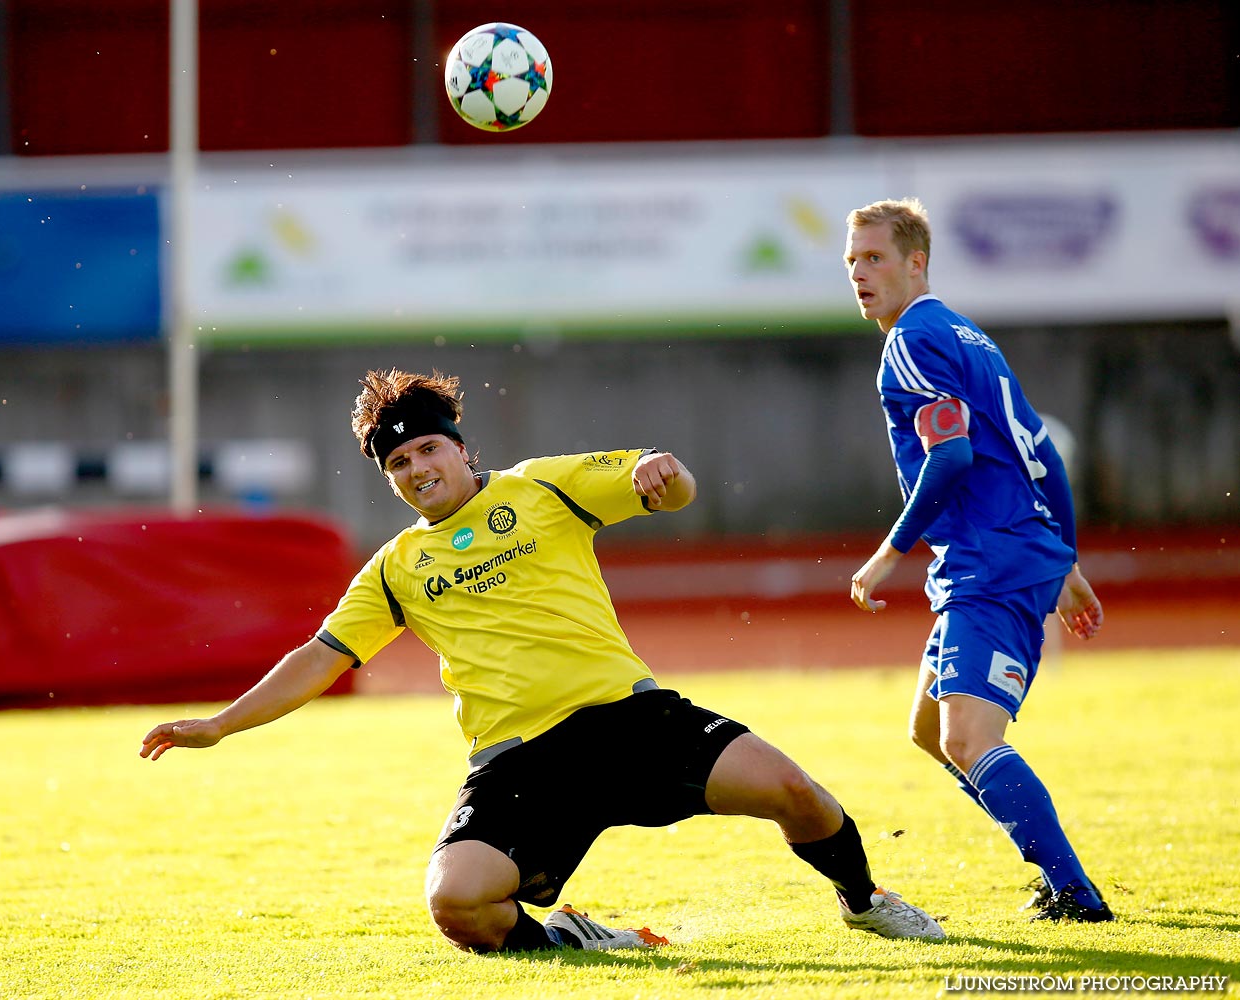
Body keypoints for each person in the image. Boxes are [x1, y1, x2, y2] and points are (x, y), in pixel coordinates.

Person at [141, 367, 944, 952]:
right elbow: (320, 658)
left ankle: (864, 899)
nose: (418, 471)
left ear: (458, 447)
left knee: (796, 793)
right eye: (399, 466)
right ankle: (573, 943)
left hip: (630, 720)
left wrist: (665, 477)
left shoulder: (540, 488)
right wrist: (221, 725)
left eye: (427, 450)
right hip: (521, 759)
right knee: (459, 907)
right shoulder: (392, 569)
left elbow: (662, 483)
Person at [842, 198, 1113, 922]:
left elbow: (952, 456)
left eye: (875, 258)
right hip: (1011, 554)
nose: (860, 274)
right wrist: (1067, 561)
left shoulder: (910, 340)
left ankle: (1073, 892)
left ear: (916, 262)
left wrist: (885, 554)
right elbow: (1042, 452)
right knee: (931, 731)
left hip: (986, 564)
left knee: (966, 737)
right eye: (852, 261)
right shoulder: (967, 334)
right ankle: (1055, 876)